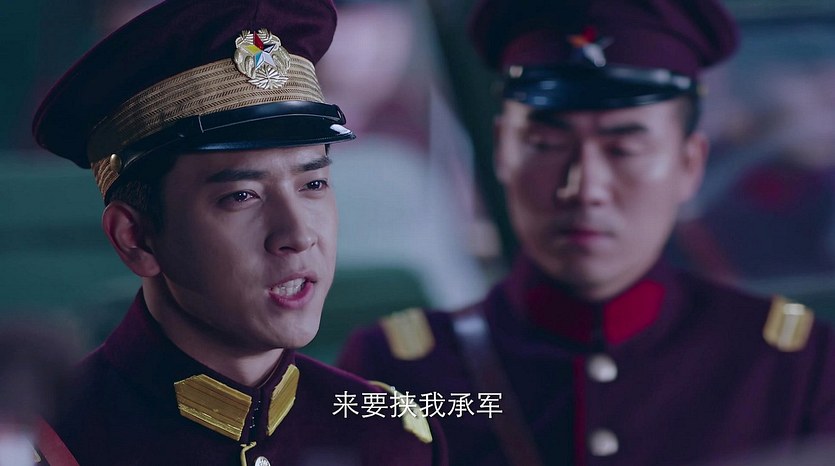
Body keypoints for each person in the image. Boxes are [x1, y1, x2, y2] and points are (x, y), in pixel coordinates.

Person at [337, 0, 835, 465]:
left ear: (689, 165)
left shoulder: (793, 368)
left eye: (624, 150)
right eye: (546, 144)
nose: (585, 188)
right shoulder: (398, 372)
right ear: (502, 152)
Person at [31, 0, 446, 464]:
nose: (298, 235)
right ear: (136, 237)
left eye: (313, 184)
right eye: (242, 196)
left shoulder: (391, 438)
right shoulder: (49, 444)